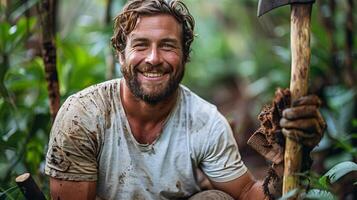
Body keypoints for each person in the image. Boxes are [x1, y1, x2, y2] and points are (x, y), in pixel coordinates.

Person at [45, 0, 325, 199]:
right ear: (121, 55)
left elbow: (247, 194)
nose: (153, 59)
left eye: (167, 46)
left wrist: (292, 157)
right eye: (141, 45)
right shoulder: (83, 115)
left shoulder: (205, 122)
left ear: (185, 56)